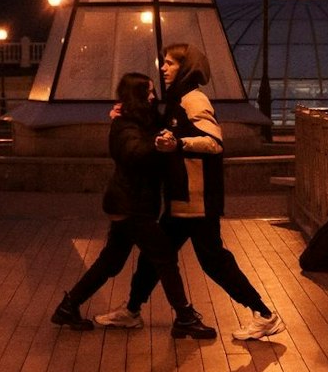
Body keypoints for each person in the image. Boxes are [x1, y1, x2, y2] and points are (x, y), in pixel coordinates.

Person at [98, 43, 284, 341]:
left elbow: (214, 142)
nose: (163, 68)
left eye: (170, 63)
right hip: (181, 197)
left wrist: (179, 144)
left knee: (213, 260)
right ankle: (132, 310)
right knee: (156, 255)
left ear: (185, 68)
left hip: (197, 198)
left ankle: (264, 314)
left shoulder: (194, 99)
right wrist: (125, 113)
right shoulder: (177, 100)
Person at [51, 73, 216, 339]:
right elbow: (133, 153)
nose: (153, 97)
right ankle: (184, 316)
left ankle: (68, 306)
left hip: (130, 203)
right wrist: (158, 146)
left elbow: (153, 131)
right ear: (137, 96)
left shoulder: (138, 120)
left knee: (111, 261)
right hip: (132, 204)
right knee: (164, 255)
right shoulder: (124, 125)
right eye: (148, 93)